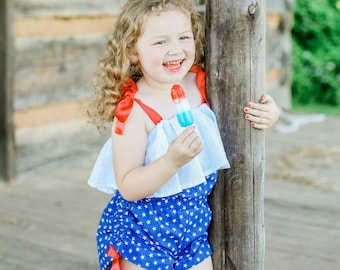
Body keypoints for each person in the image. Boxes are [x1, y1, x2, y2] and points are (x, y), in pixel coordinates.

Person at [87, 0, 280, 269]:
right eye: (160, 42)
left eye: (183, 37)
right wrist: (170, 162)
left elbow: (244, 107)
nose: (175, 49)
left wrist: (268, 113)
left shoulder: (202, 82)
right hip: (142, 234)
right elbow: (129, 187)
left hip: (193, 232)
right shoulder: (134, 111)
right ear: (132, 51)